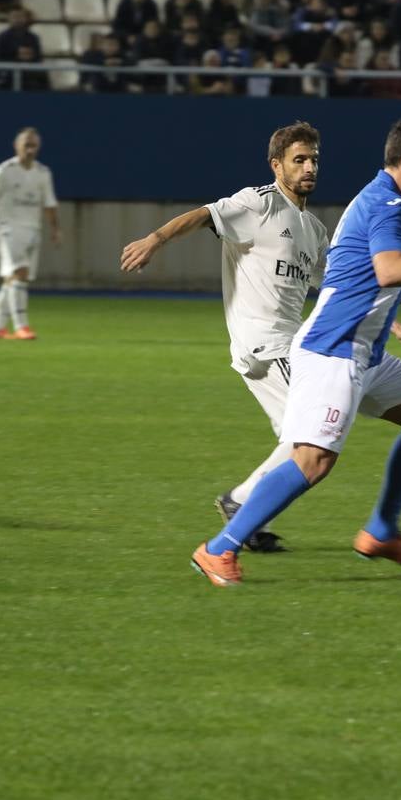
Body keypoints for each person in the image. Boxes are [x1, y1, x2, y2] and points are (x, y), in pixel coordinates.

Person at [186, 116, 401, 586]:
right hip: (334, 350)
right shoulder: (388, 205)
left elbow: (352, 278)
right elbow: (391, 269)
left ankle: (380, 530)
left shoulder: (379, 198)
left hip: (364, 349)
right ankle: (218, 549)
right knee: (313, 459)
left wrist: (392, 317)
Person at [119, 123, 331, 553]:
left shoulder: (314, 229)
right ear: (277, 165)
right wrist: (156, 239)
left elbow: (331, 287)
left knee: (300, 439)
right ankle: (241, 506)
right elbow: (203, 215)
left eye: (313, 160)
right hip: (268, 343)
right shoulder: (258, 203)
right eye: (299, 160)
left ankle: (243, 508)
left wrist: (390, 321)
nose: (309, 167)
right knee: (314, 436)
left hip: (286, 347)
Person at [0, 128, 61, 340]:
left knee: (12, 280)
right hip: (7, 229)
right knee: (20, 273)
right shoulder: (3, 170)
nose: (30, 149)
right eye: (26, 144)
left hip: (32, 230)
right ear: (17, 146)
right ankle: (21, 326)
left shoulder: (43, 173)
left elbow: (50, 204)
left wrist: (55, 229)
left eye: (34, 145)